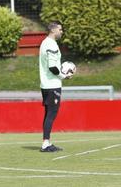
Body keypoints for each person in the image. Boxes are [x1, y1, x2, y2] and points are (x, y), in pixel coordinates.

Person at [39, 21, 73, 152]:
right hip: (51, 85)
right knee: (52, 113)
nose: (62, 31)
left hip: (46, 84)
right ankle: (46, 144)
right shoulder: (51, 44)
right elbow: (53, 67)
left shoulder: (45, 42)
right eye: (60, 29)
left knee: (49, 113)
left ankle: (46, 142)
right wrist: (63, 75)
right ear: (53, 30)